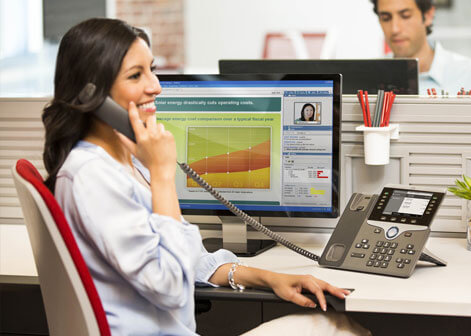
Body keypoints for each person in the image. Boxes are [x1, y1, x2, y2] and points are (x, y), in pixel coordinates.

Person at [42, 18, 370, 335]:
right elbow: (171, 286)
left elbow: (191, 262)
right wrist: (163, 174)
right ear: (90, 95)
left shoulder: (126, 162)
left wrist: (269, 278)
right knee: (339, 327)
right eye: (135, 75)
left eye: (152, 70)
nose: (155, 87)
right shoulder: (93, 176)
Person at [369, 0, 471, 96]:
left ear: (428, 15)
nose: (394, 29)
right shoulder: (371, 76)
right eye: (385, 18)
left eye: (405, 16)